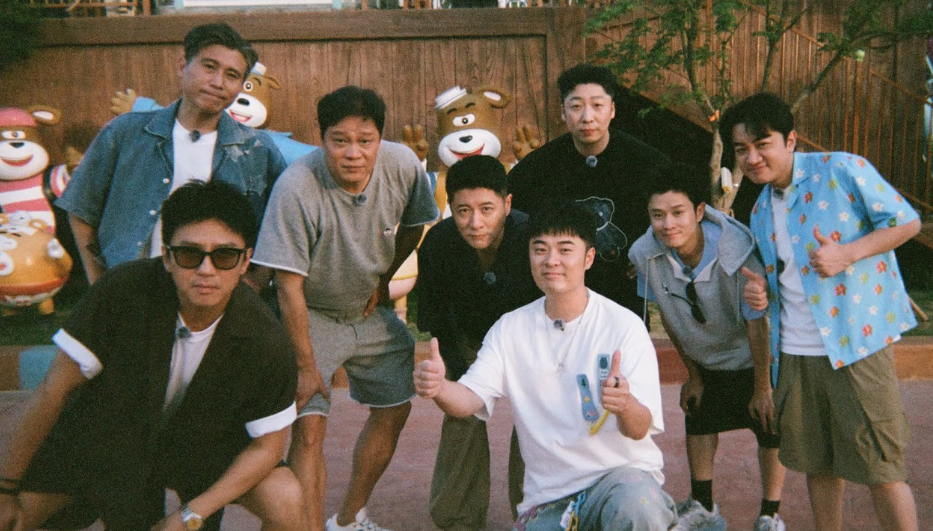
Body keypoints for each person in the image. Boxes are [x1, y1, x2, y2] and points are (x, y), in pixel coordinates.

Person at [0, 180, 303, 531]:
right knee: (10, 516)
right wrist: (5, 488)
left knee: (285, 496)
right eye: (189, 254)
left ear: (245, 261)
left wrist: (190, 515)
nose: (206, 270)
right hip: (108, 440)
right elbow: (53, 391)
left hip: (201, 450)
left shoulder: (266, 339)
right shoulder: (122, 291)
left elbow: (267, 448)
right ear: (167, 256)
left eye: (224, 256)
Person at [721, 92, 920, 531]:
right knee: (818, 465)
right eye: (741, 149)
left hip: (856, 345)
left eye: (763, 144)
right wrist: (761, 295)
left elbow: (907, 221)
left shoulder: (842, 169)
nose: (752, 158)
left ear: (791, 140)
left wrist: (848, 253)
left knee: (882, 467)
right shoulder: (758, 209)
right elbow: (784, 280)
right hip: (794, 353)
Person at [414, 203, 676, 531]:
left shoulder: (623, 326)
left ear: (589, 258)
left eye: (565, 250)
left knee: (638, 508)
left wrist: (624, 405)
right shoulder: (510, 329)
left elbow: (638, 429)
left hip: (619, 482)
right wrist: (439, 388)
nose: (551, 260)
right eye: (540, 249)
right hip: (550, 499)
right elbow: (469, 399)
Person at [252, 85, 439, 531]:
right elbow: (288, 286)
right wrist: (304, 365)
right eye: (340, 140)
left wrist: (384, 278)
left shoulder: (402, 164)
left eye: (365, 140)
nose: (353, 153)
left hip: (366, 310)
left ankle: (349, 518)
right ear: (322, 139)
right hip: (310, 313)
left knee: (396, 405)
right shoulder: (296, 186)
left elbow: (415, 224)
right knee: (309, 430)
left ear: (380, 138)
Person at [56, 22, 286, 286]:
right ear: (182, 65)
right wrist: (99, 280)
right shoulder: (126, 133)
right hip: (133, 288)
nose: (218, 82)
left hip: (215, 293)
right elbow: (81, 208)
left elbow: (280, 225)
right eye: (209, 67)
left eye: (232, 75)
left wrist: (255, 283)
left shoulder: (256, 149)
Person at [628, 164, 788, 531]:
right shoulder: (644, 255)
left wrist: (763, 386)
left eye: (678, 212)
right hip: (707, 358)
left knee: (770, 425)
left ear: (699, 211)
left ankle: (770, 513)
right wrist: (694, 375)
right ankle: (703, 505)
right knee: (698, 417)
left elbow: (757, 321)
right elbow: (669, 317)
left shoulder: (738, 249)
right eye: (658, 215)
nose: (668, 224)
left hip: (752, 356)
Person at [416, 155, 540, 531]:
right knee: (461, 413)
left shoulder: (533, 239)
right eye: (463, 210)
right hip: (467, 339)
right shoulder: (438, 243)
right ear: (450, 208)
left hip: (530, 343)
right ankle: (458, 517)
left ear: (507, 204)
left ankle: (537, 512)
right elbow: (436, 315)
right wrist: (457, 376)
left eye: (487, 209)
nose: (475, 222)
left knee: (537, 418)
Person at [508, 62, 670, 316]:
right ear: (563, 112)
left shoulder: (647, 162)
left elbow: (674, 210)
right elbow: (513, 218)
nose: (587, 117)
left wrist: (652, 251)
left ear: (612, 109)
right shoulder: (537, 167)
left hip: (622, 289)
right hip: (558, 290)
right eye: (576, 106)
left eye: (597, 105)